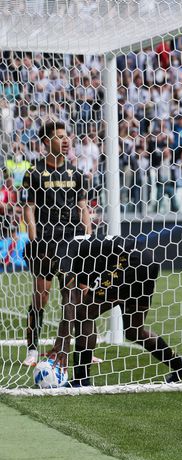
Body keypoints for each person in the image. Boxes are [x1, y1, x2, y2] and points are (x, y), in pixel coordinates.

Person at [48, 235, 182, 387]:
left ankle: (81, 379)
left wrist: (63, 347)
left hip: (127, 260)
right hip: (146, 259)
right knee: (134, 331)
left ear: (44, 255)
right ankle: (181, 366)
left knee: (83, 314)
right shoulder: (78, 251)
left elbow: (70, 301)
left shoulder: (61, 255)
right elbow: (83, 291)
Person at [21, 121, 92, 366]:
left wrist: (87, 236)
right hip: (46, 239)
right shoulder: (35, 172)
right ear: (46, 142)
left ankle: (83, 350)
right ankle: (32, 350)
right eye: (59, 137)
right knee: (41, 296)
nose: (65, 141)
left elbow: (84, 208)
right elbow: (28, 207)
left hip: (73, 239)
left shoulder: (76, 174)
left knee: (77, 296)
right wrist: (34, 235)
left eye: (66, 137)